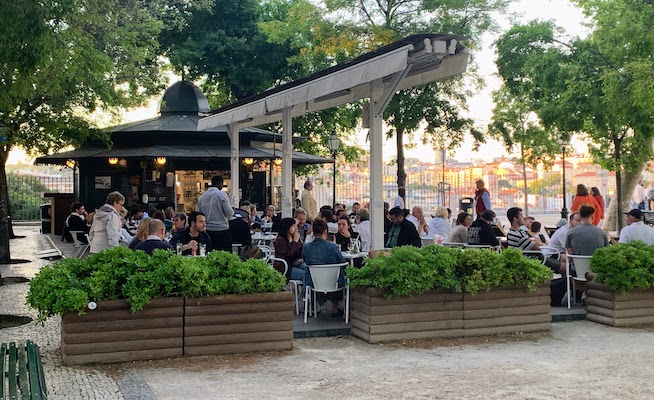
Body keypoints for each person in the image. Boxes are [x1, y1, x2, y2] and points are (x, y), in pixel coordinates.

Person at [303, 218, 347, 317]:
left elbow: (305, 260)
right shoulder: (332, 247)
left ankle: (312, 306)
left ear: (313, 232)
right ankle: (335, 308)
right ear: (325, 231)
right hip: (333, 283)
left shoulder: (306, 247)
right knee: (338, 273)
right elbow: (342, 262)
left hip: (314, 282)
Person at [506, 207, 562, 272]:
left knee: (561, 260)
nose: (523, 217)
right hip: (533, 260)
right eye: (521, 215)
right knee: (564, 266)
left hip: (533, 258)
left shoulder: (514, 232)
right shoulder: (518, 234)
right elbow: (536, 247)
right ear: (515, 219)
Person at [197, 175, 235, 252]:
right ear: (220, 183)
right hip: (222, 229)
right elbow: (229, 212)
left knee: (210, 255)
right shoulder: (222, 195)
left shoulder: (202, 197)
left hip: (207, 230)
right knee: (224, 256)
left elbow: (199, 214)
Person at [273, 218, 308, 285]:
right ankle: (304, 294)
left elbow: (300, 253)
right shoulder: (280, 240)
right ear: (287, 227)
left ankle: (308, 292)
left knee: (309, 270)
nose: (296, 228)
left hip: (294, 263)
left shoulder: (294, 237)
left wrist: (299, 242)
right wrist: (295, 242)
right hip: (285, 267)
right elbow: (288, 254)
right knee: (304, 274)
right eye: (293, 226)